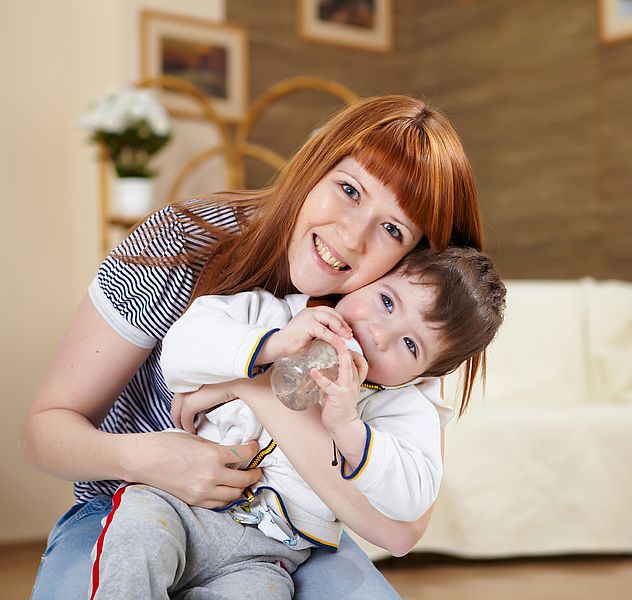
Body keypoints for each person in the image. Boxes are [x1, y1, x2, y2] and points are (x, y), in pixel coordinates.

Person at [22, 94, 487, 600]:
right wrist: (146, 458)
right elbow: (43, 432)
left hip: (282, 536)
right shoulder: (180, 243)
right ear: (315, 166)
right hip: (131, 498)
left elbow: (399, 532)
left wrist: (254, 390)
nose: (352, 238)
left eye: (392, 229)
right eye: (349, 190)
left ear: (413, 259)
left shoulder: (397, 329)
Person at [88, 246, 506, 599]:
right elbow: (180, 348)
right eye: (387, 301)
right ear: (370, 279)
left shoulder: (401, 408)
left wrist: (349, 429)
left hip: (268, 553)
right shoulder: (270, 312)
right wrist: (272, 344)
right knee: (137, 542)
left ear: (422, 375)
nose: (379, 334)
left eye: (410, 345)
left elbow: (412, 497)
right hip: (178, 505)